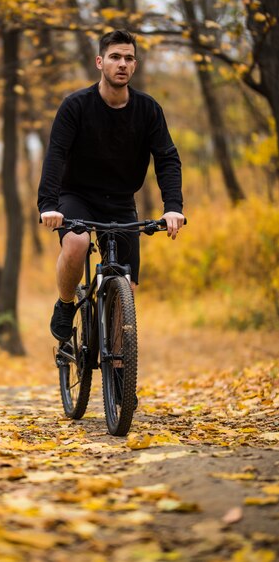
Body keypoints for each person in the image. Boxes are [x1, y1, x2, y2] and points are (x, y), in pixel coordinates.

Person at [38, 29, 184, 342]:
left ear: (135, 65)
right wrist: (48, 206)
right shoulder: (75, 106)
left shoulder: (148, 110)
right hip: (76, 194)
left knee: (125, 288)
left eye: (129, 58)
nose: (122, 64)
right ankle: (65, 305)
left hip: (120, 200)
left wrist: (173, 207)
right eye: (115, 57)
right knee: (76, 243)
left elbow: (167, 159)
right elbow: (56, 156)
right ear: (100, 62)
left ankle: (119, 378)